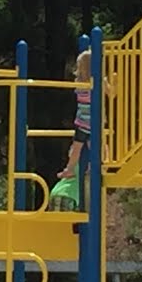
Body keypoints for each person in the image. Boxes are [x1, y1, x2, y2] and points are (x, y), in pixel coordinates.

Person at [58, 50, 92, 184]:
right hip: (93, 122)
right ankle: (95, 166)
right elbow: (111, 94)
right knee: (95, 146)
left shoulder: (79, 82)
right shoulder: (99, 81)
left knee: (76, 147)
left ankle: (70, 168)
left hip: (81, 121)